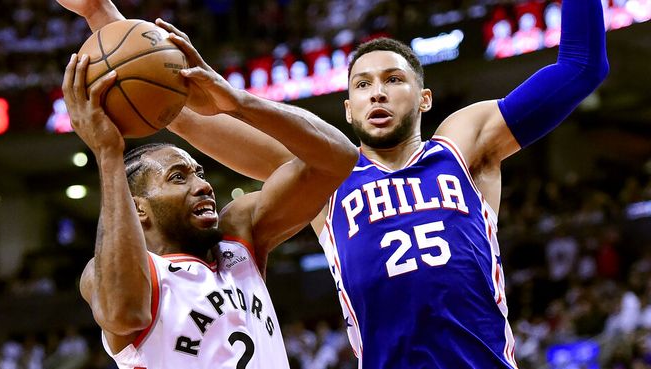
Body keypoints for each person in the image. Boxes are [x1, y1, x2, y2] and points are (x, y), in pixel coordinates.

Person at [59, 0, 608, 367]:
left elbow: (580, 67)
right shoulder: (328, 180)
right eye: (362, 84)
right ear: (345, 109)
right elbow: (164, 100)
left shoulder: (462, 145)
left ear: (423, 99)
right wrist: (100, 12)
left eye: (394, 80)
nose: (377, 92)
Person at [60, 16, 357, 369]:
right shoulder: (108, 272)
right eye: (177, 177)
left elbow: (337, 159)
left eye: (199, 173)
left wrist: (237, 102)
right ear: (139, 208)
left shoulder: (240, 234)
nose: (202, 185)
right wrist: (107, 154)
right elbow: (125, 313)